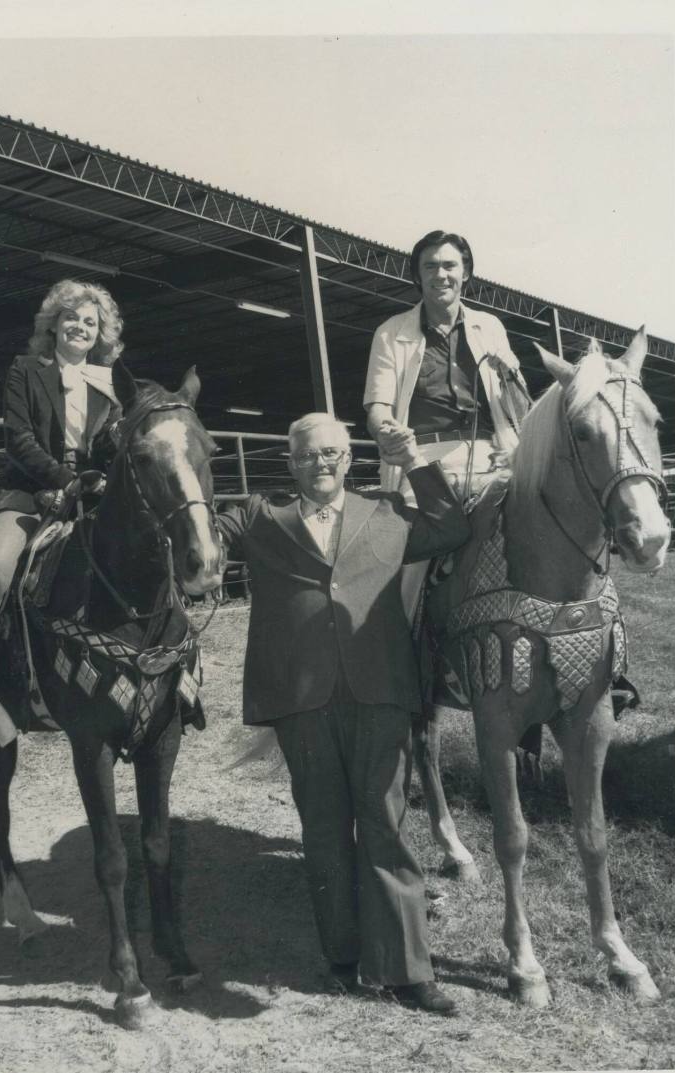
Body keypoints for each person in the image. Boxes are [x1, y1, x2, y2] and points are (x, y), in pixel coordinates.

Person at [215, 412, 470, 1015]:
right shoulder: (260, 519)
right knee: (324, 829)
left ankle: (408, 970)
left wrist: (414, 461)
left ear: (348, 459)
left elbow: (452, 525)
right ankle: (344, 957)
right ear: (291, 462)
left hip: (379, 694)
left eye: (331, 453)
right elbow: (199, 533)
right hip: (302, 704)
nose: (321, 464)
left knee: (385, 826)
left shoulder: (387, 512)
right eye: (308, 455)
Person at [363, 229, 531, 618]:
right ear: (418, 276)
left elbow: (520, 407)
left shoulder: (490, 327)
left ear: (465, 272)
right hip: (423, 461)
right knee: (409, 558)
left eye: (450, 265)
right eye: (431, 266)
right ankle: (400, 648)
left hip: (495, 456)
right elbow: (378, 407)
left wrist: (513, 381)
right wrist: (387, 432)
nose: (441, 274)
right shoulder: (390, 333)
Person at [0, 278, 123, 674]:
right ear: (53, 324)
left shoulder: (109, 384)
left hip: (90, 494)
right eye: (72, 318)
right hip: (28, 494)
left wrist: (116, 443)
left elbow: (104, 446)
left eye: (90, 322)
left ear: (98, 333)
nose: (80, 327)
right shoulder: (25, 370)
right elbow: (19, 440)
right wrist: (65, 479)